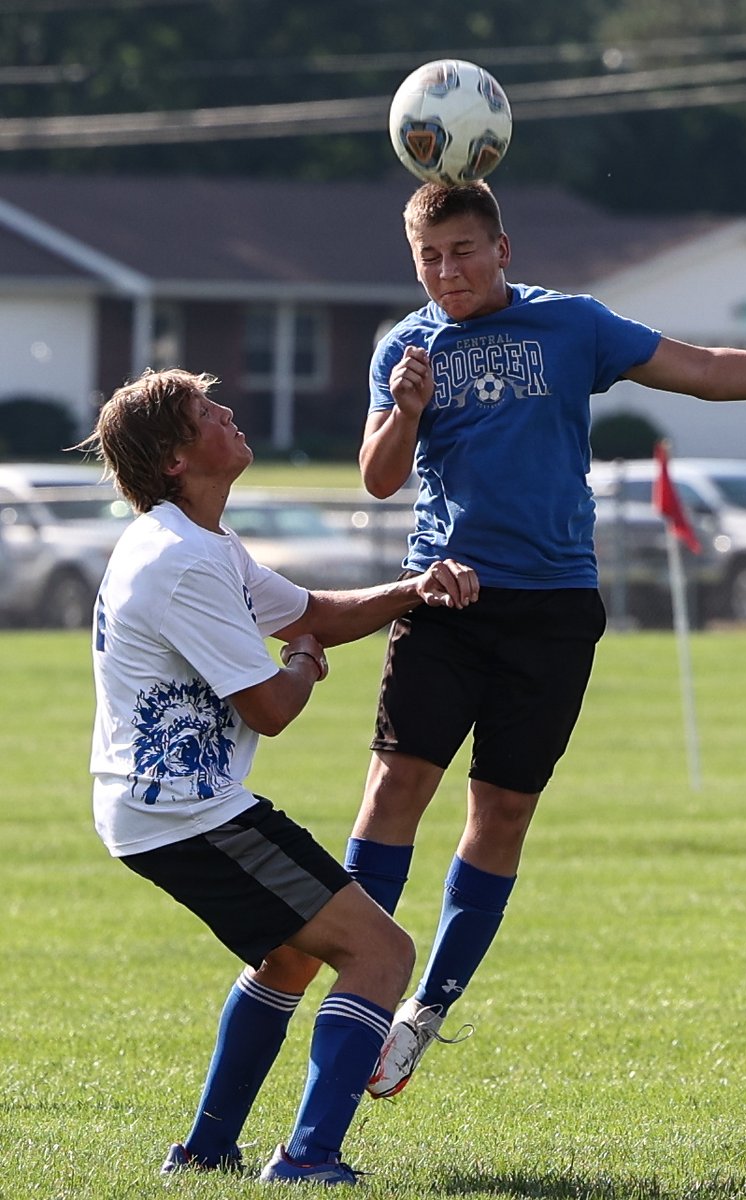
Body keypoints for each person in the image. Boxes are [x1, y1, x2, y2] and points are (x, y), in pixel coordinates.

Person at [332, 179, 746, 1101]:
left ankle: (426, 1006)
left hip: (551, 608)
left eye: (462, 251)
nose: (446, 272)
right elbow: (378, 477)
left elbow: (704, 369)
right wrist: (406, 411)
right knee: (394, 789)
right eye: (428, 258)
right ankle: (357, 983)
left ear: (502, 250)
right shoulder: (405, 346)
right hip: (443, 599)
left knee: (502, 813)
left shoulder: (573, 324)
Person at [75, 367, 478, 1183]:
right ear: (176, 460)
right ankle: (308, 1159)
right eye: (205, 412)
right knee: (382, 953)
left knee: (291, 957)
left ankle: (206, 1151)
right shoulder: (183, 560)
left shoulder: (198, 541)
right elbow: (270, 707)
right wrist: (300, 664)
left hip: (161, 809)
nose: (227, 412)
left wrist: (413, 591)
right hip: (186, 813)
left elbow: (312, 613)